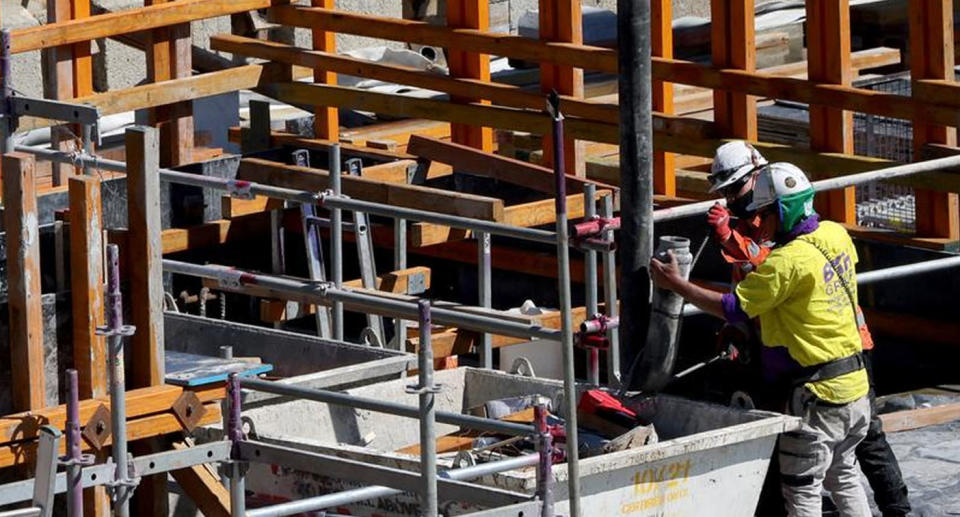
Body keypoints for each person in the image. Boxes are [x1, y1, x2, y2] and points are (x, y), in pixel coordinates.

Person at [652, 162, 871, 516]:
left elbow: (731, 307)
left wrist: (676, 284)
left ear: (784, 211)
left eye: (764, 215)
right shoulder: (836, 235)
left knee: (802, 490)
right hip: (855, 387)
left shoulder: (785, 262)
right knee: (844, 475)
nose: (759, 224)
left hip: (818, 395)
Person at [706, 144, 911, 517]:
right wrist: (738, 330)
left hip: (831, 352)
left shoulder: (781, 223)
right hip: (798, 352)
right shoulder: (777, 219)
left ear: (759, 178)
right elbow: (758, 287)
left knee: (859, 449)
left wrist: (729, 242)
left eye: (735, 190)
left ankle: (898, 508)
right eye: (725, 192)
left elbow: (778, 269)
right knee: (838, 466)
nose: (731, 200)